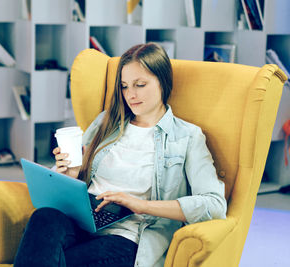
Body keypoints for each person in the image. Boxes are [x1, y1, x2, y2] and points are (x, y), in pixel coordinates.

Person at [13, 43, 227, 267]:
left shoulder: (188, 137)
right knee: (44, 217)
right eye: (124, 86)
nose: (130, 95)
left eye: (140, 85)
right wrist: (71, 173)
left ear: (163, 82)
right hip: (83, 221)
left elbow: (214, 204)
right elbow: (75, 179)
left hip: (127, 236)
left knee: (54, 260)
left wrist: (139, 205)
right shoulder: (106, 122)